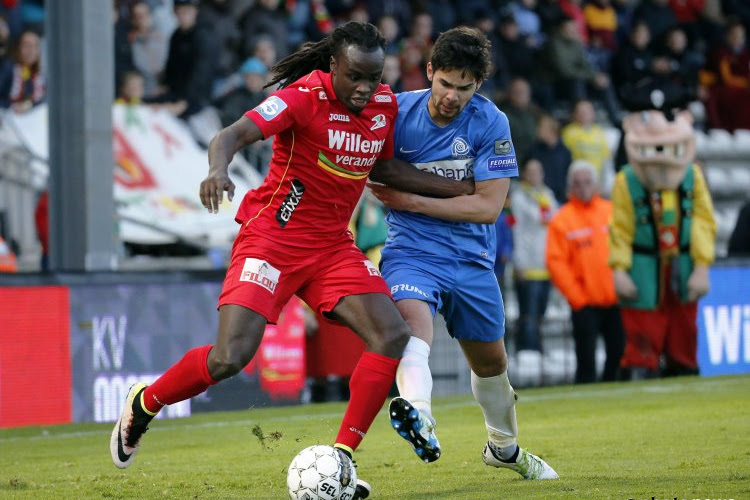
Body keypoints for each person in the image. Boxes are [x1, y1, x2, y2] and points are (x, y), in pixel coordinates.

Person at [110, 22, 470, 499]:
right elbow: (232, 133)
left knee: (391, 334)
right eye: (356, 77)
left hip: (331, 247)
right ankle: (145, 402)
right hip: (272, 241)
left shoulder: (383, 106)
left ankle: (341, 460)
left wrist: (458, 187)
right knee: (229, 358)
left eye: (374, 76)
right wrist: (217, 169)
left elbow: (383, 168)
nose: (366, 88)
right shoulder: (305, 97)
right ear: (333, 67)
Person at [368, 26, 558, 480]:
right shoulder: (396, 111)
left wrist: (411, 198)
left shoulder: (490, 122)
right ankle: (419, 415)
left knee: (492, 365)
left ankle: (504, 448)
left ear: (479, 86)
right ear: (429, 71)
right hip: (411, 251)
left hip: (471, 260)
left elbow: (488, 207)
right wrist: (450, 194)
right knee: (412, 331)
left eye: (464, 87)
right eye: (445, 83)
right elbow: (376, 172)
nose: (452, 96)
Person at [545, 160, 625, 383]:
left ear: (596, 184)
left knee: (619, 354)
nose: (583, 187)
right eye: (578, 183)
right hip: (585, 304)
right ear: (571, 187)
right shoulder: (562, 219)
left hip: (615, 299)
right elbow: (556, 262)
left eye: (587, 182)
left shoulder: (611, 212)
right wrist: (577, 298)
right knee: (586, 360)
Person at [511, 158, 558, 353]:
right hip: (528, 265)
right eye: (530, 171)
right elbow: (517, 231)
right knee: (528, 314)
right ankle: (527, 352)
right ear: (524, 174)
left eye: (538, 170)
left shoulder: (547, 195)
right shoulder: (519, 197)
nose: (534, 175)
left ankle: (537, 349)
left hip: (546, 264)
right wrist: (519, 262)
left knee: (540, 313)